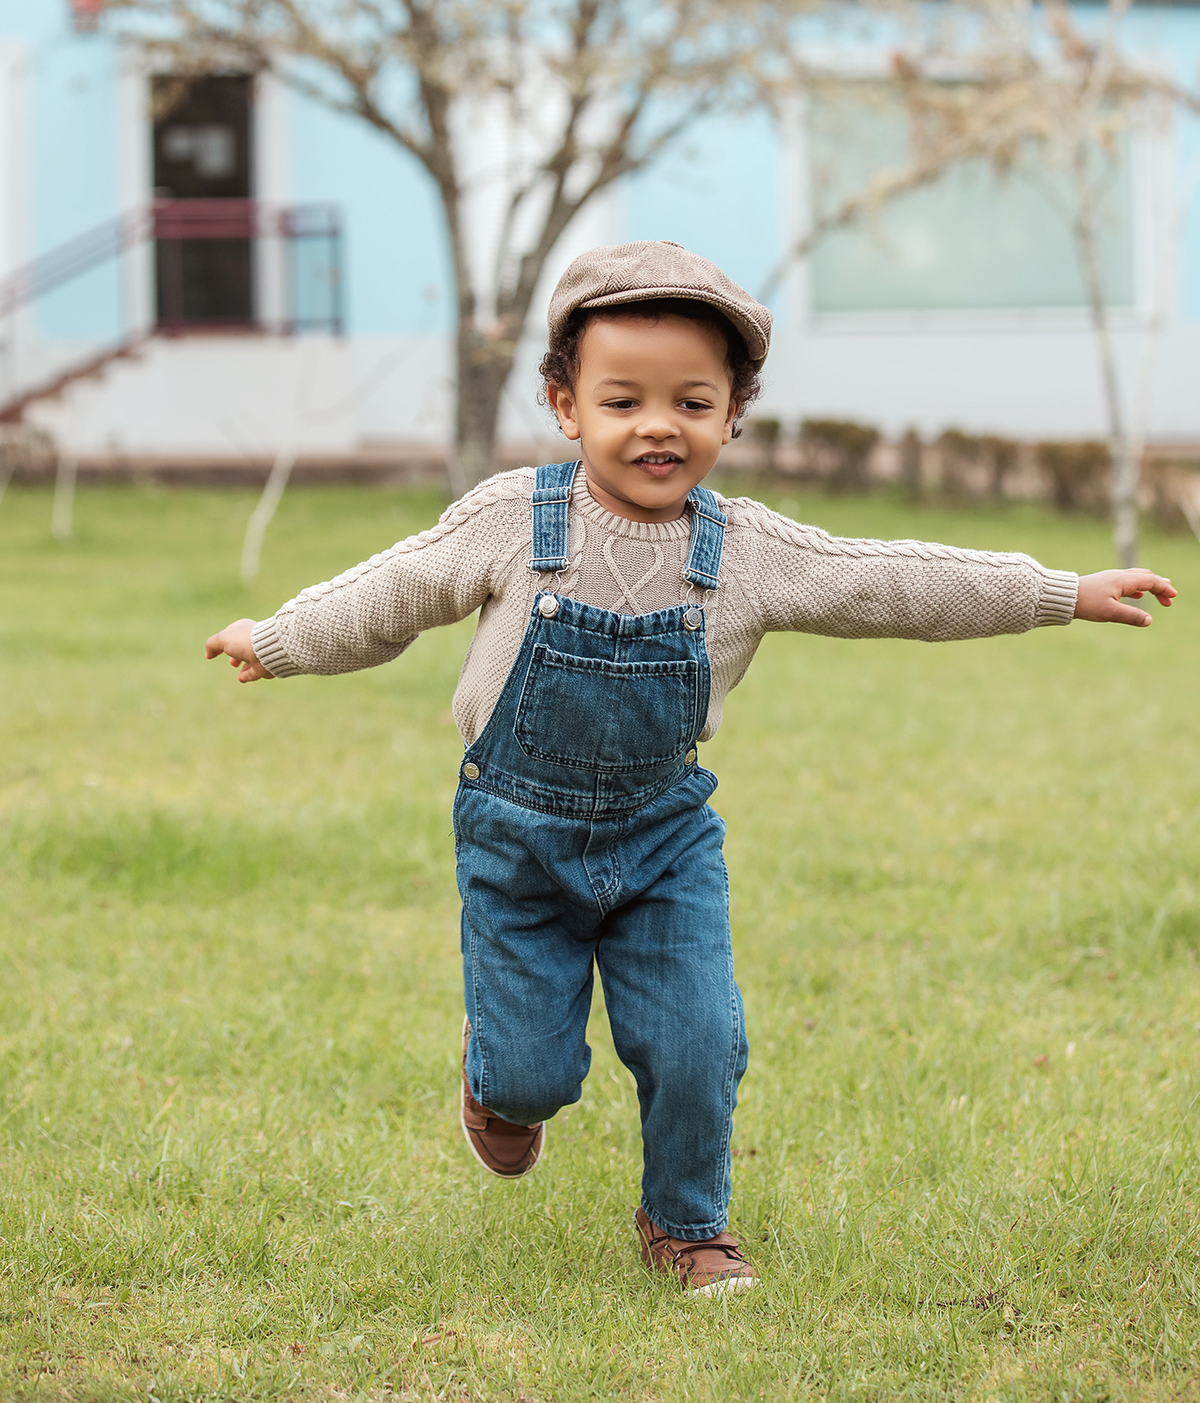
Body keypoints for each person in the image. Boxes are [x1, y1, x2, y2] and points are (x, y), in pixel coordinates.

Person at [206, 240, 1176, 1300]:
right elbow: (392, 592)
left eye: (692, 401)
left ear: (733, 414)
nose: (658, 425)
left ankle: (687, 1223)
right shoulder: (511, 523)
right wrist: (286, 636)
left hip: (662, 838)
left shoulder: (748, 552)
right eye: (623, 400)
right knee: (535, 1071)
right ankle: (501, 1091)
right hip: (518, 839)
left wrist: (1055, 590)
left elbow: (893, 582)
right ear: (565, 404)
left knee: (698, 1041)